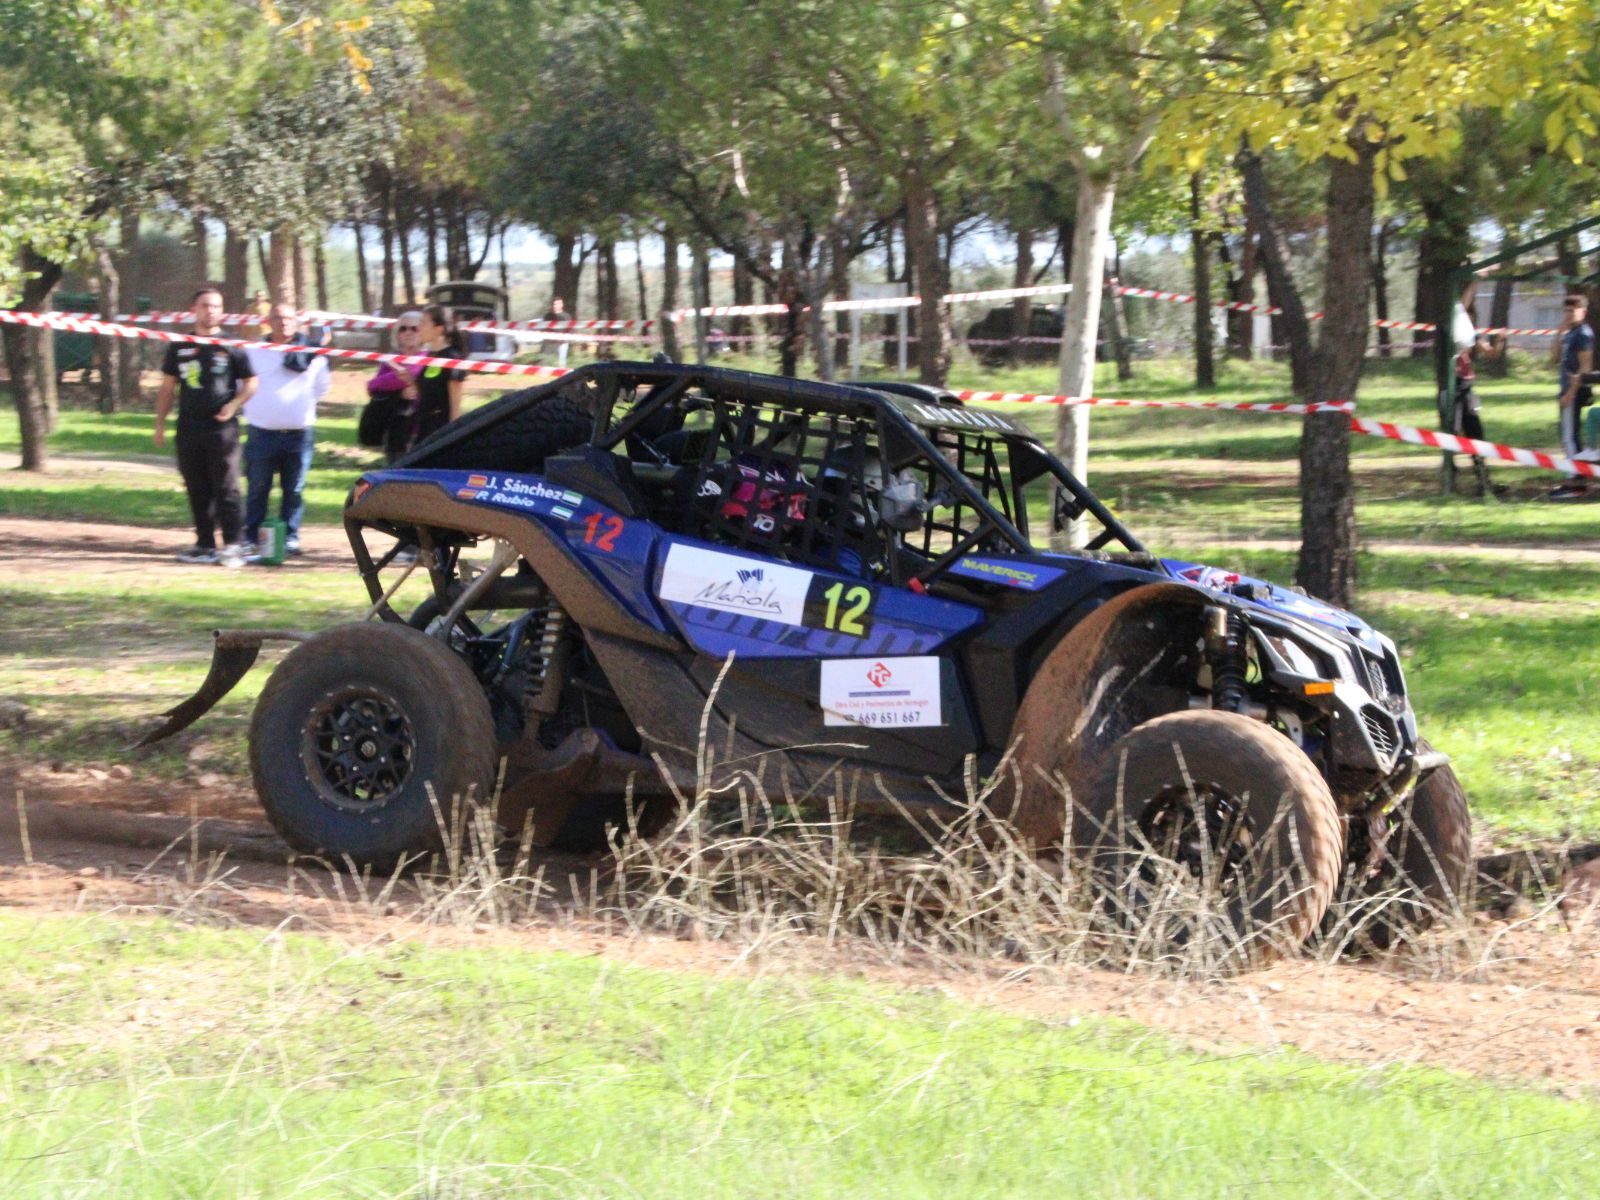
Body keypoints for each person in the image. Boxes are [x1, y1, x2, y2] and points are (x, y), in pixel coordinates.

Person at [154, 286, 257, 565]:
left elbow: (251, 383)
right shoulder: (179, 345)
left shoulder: (232, 345)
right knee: (196, 486)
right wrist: (160, 424)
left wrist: (234, 405)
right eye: (205, 306)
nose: (210, 311)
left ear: (222, 311)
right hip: (188, 426)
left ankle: (234, 545)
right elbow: (167, 388)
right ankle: (204, 544)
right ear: (194, 310)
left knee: (227, 486)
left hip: (222, 429)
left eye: (215, 306)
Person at [241, 303, 331, 557]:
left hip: (299, 435)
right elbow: (242, 383)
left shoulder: (313, 354)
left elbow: (322, 388)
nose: (284, 323)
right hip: (261, 432)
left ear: (297, 322)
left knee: (294, 489)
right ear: (268, 321)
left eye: (289, 318)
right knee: (258, 487)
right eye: (278, 318)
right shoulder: (254, 350)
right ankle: (251, 537)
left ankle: (290, 537)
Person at [1450, 279, 1505, 497]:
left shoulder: (1471, 334)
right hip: (1452, 386)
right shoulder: (1457, 326)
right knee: (1452, 433)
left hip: (1466, 387)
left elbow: (1490, 353)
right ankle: (1450, 479)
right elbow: (1461, 306)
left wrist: (1500, 341)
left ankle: (1484, 482)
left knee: (1476, 434)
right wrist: (1474, 282)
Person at [1550, 293, 1596, 499]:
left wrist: (1570, 392)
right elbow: (1553, 357)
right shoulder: (1570, 333)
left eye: (1572, 310)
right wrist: (1559, 332)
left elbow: (1585, 367)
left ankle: (1576, 480)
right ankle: (1574, 476)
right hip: (1565, 387)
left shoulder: (1583, 334)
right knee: (1567, 434)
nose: (1568, 314)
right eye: (1565, 311)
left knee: (1570, 435)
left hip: (1574, 390)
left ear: (1582, 312)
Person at [402, 304, 466, 452]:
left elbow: (455, 406)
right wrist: (410, 380)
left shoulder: (452, 359)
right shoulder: (430, 357)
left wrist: (452, 438)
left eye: (424, 323)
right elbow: (428, 391)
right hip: (423, 428)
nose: (419, 327)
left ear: (439, 329)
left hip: (439, 430)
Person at [363, 310, 423, 462]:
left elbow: (414, 372)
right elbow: (372, 386)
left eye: (414, 328)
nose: (408, 332)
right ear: (397, 334)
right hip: (395, 427)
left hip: (421, 428)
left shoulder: (429, 357)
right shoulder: (390, 358)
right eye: (403, 328)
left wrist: (397, 375)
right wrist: (401, 389)